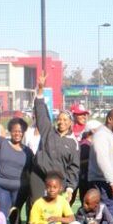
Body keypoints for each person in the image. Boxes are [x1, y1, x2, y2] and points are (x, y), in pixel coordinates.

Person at [31, 74, 80, 205]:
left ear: (71, 123)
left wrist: (70, 189)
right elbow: (41, 113)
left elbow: (73, 168)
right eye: (59, 119)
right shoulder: (48, 131)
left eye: (65, 120)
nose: (61, 122)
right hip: (39, 175)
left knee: (54, 209)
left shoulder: (73, 143)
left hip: (57, 180)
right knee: (36, 204)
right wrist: (40, 89)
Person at [0, 117, 33, 217]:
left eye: (20, 131)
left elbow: (30, 172)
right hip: (0, 185)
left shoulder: (28, 152)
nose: (17, 134)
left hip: (19, 189)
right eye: (14, 131)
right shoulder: (2, 143)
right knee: (3, 212)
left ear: (23, 132)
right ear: (10, 131)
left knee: (15, 214)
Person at [88, 109, 113, 217]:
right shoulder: (101, 135)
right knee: (105, 214)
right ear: (110, 119)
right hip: (102, 182)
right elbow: (102, 160)